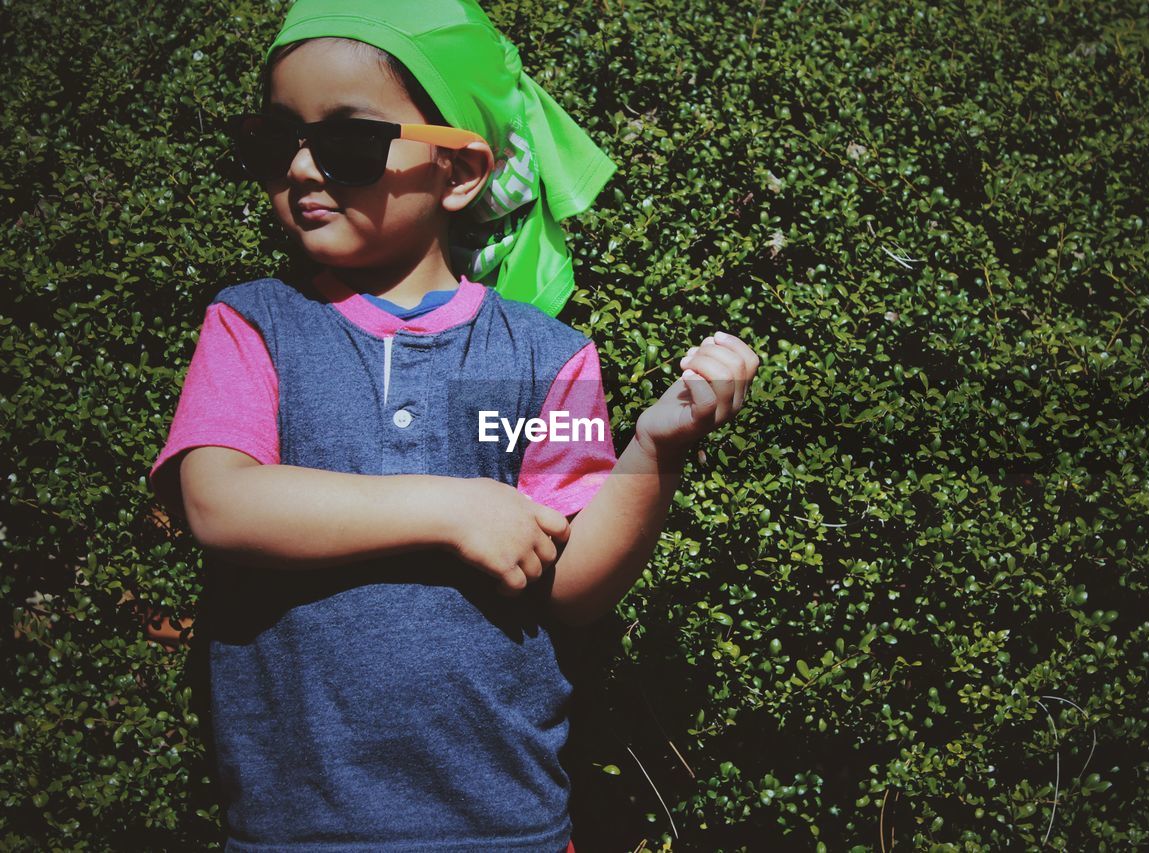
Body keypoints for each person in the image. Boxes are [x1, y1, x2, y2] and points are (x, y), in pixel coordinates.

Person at [148, 0, 759, 849]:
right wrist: (453, 509)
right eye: (274, 139)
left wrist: (659, 445)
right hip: (298, 828)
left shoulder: (547, 357)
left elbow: (574, 585)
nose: (299, 169)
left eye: (349, 142)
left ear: (459, 173)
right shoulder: (254, 325)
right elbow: (219, 504)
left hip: (505, 820)